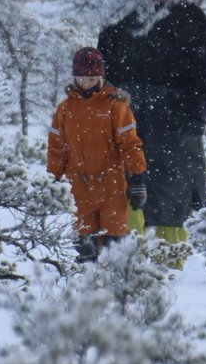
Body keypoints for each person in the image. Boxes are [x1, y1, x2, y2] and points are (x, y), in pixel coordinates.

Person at [97, 0, 206, 248]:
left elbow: (205, 80)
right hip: (127, 124)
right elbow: (103, 75)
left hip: (175, 129)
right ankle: (125, 269)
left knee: (170, 205)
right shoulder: (119, 18)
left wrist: (187, 117)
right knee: (123, 198)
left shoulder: (191, 18)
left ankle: (169, 276)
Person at [46, 46, 149, 263]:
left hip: (111, 183)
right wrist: (53, 177)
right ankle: (86, 287)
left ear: (101, 77)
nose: (85, 83)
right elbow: (57, 146)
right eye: (81, 78)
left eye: (91, 78)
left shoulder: (115, 105)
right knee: (85, 243)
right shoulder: (66, 109)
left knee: (115, 241)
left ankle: (118, 287)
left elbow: (130, 144)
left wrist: (137, 178)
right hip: (79, 184)